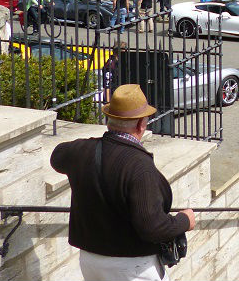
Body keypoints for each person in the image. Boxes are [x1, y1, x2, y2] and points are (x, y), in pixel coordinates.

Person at [50, 84, 197, 281]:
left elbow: (57, 156)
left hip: (91, 261)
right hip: (132, 268)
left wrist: (88, 145)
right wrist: (184, 220)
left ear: (109, 120)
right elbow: (152, 227)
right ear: (140, 125)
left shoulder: (81, 151)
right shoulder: (140, 167)